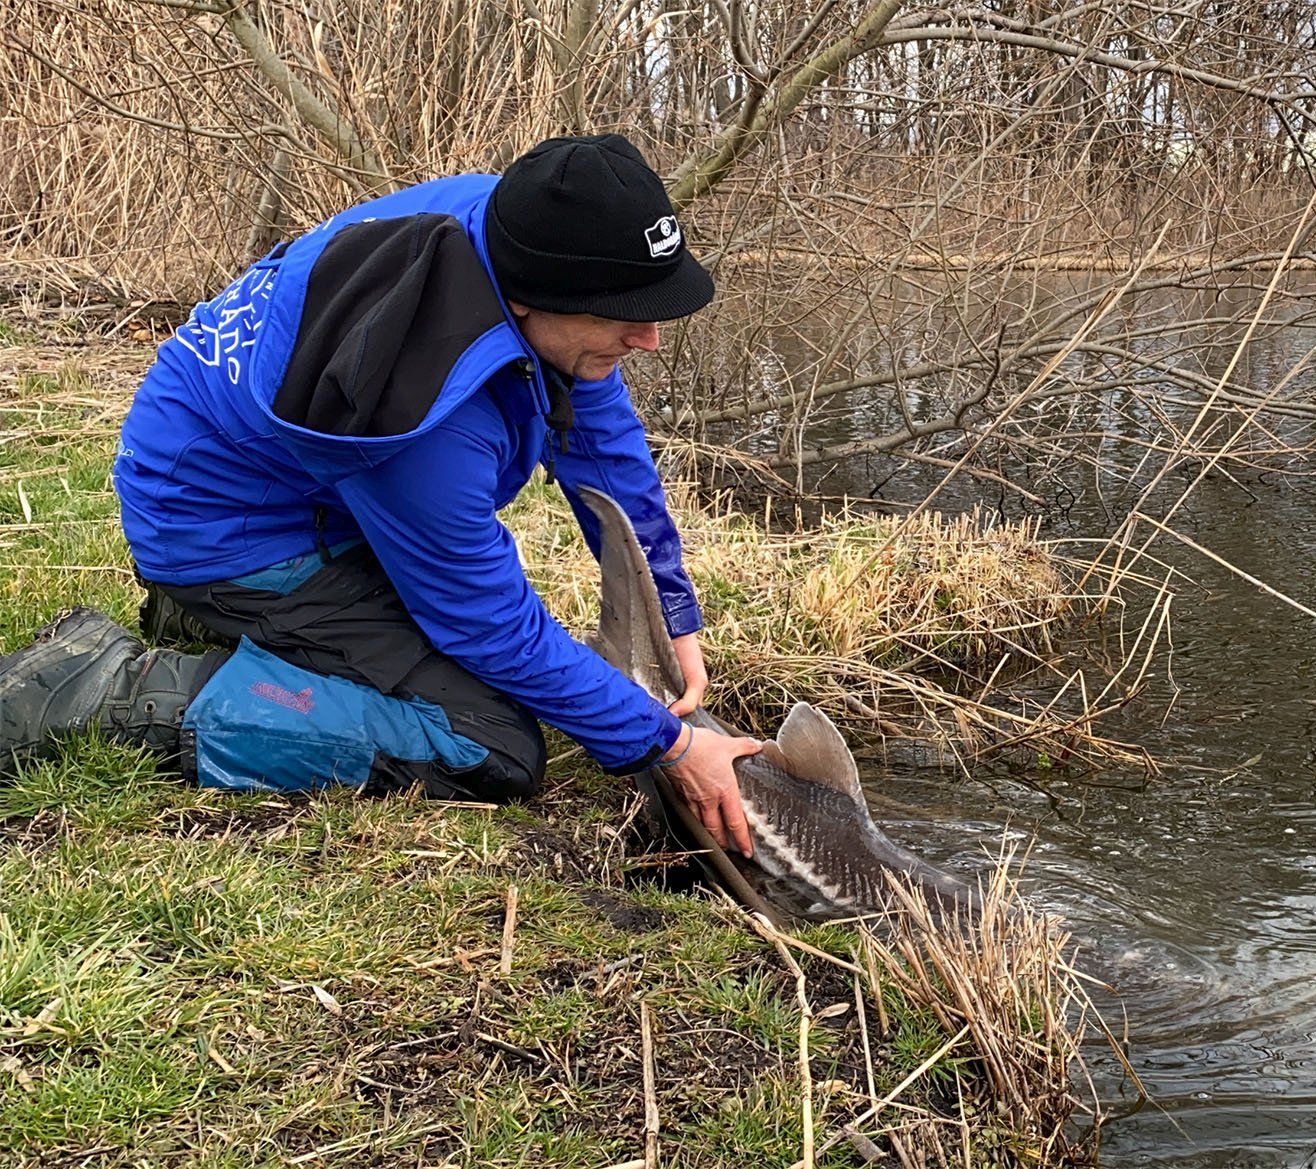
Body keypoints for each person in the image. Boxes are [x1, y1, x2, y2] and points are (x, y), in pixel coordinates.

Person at [0, 134, 760, 854]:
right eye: (621, 318)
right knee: (487, 743)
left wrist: (668, 606)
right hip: (223, 532)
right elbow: (488, 626)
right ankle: (113, 694)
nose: (650, 340)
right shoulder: (419, 411)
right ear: (535, 300)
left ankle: (240, 624)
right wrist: (669, 743)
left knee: (514, 671)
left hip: (277, 480)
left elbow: (594, 423)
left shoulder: (517, 227)